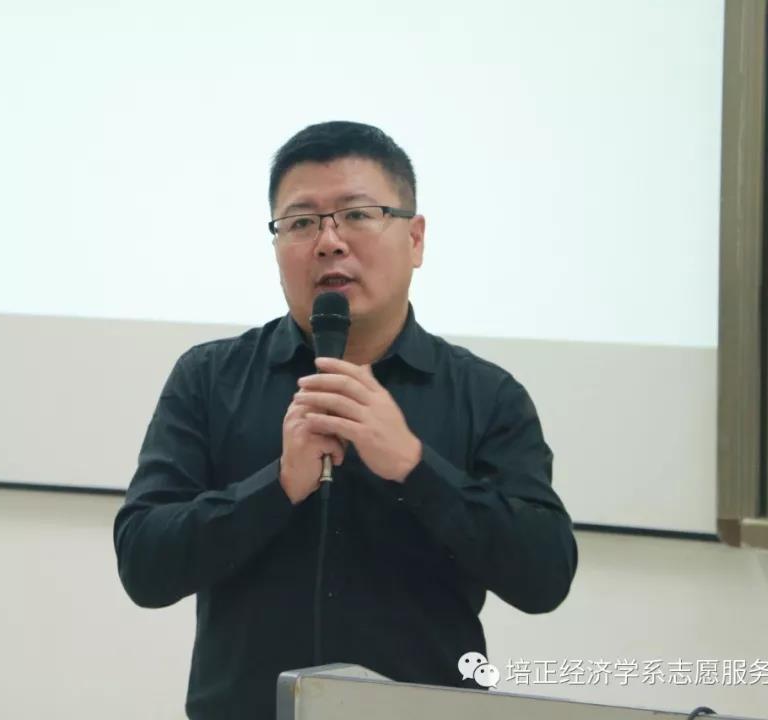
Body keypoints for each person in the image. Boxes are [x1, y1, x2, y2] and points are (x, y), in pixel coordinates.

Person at [113, 120, 577, 719]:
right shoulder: (210, 378)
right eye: (301, 222)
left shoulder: (486, 395)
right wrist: (278, 486)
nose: (329, 242)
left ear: (415, 239)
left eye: (358, 214)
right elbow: (144, 566)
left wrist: (414, 466)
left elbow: (544, 577)